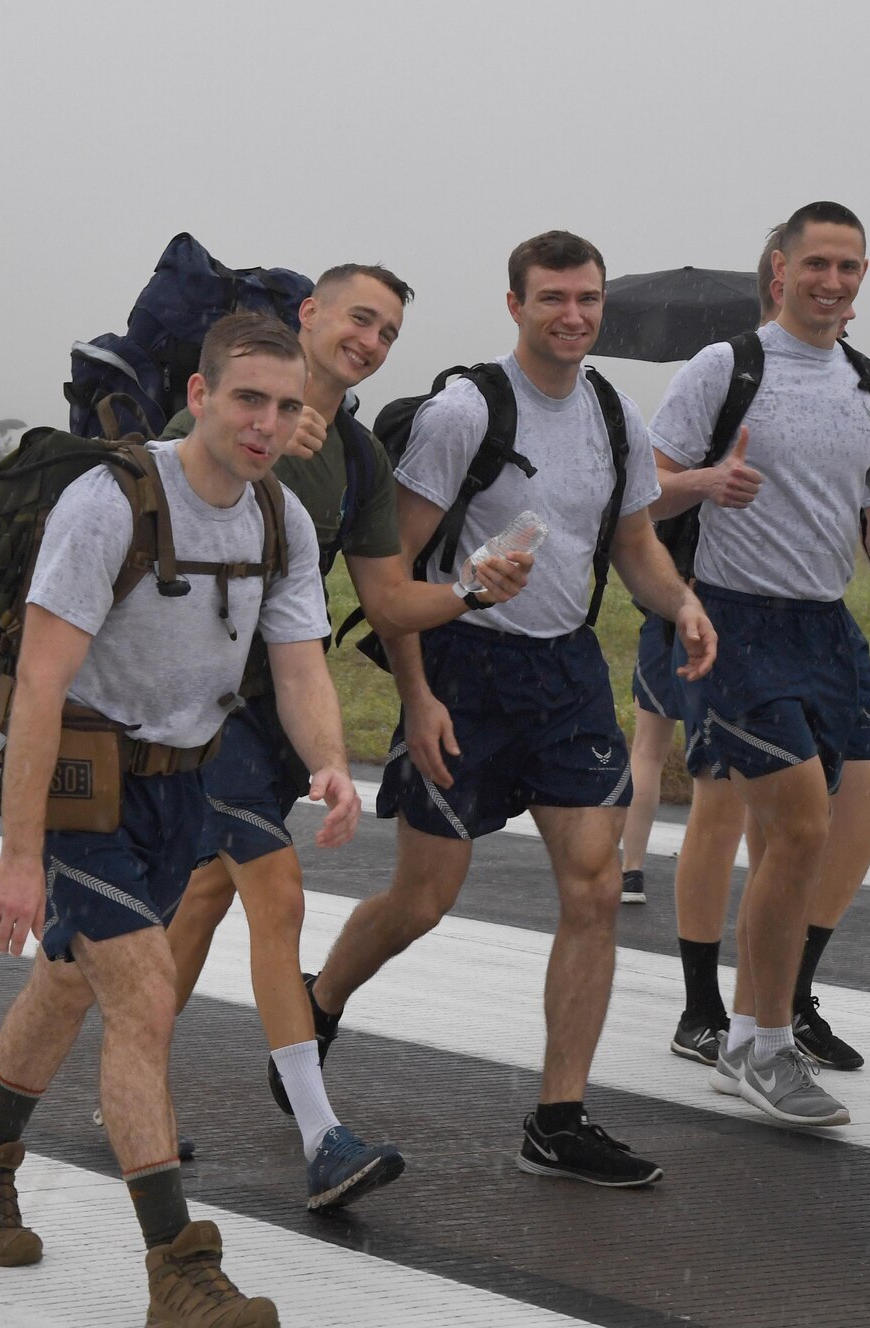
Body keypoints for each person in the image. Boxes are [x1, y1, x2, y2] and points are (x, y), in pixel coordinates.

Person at [0, 313, 356, 1326]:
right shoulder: (108, 503)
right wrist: (20, 852)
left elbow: (298, 662)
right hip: (79, 777)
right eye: (246, 398)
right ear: (200, 396)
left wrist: (332, 759)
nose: (265, 423)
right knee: (143, 996)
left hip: (181, 787)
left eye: (285, 406)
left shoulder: (277, 521)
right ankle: (178, 1264)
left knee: (70, 981)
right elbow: (39, 682)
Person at [302, 232, 712, 1189]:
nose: (573, 316)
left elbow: (635, 541)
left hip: (566, 676)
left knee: (595, 889)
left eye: (589, 299)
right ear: (515, 304)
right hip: (465, 670)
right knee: (422, 901)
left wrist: (682, 600)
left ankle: (559, 1117)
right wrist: (419, 693)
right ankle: (316, 1006)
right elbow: (390, 569)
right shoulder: (465, 412)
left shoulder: (614, 410)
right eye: (553, 299)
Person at [162, 264, 533, 1210]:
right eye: (359, 319)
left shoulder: (363, 460)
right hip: (191, 698)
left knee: (204, 898)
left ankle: (130, 1078)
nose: (369, 342)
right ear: (310, 314)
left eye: (387, 334)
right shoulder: (227, 415)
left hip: (275, 704)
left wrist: (474, 588)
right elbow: (162, 508)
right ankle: (324, 1134)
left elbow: (385, 597)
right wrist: (272, 444)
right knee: (273, 894)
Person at [649, 201, 870, 1129]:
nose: (833, 282)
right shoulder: (724, 369)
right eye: (817, 264)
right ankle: (762, 1043)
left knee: (832, 822)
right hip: (735, 624)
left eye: (849, 267)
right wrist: (700, 484)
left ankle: (755, 1025)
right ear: (778, 269)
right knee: (799, 827)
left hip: (827, 627)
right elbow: (637, 496)